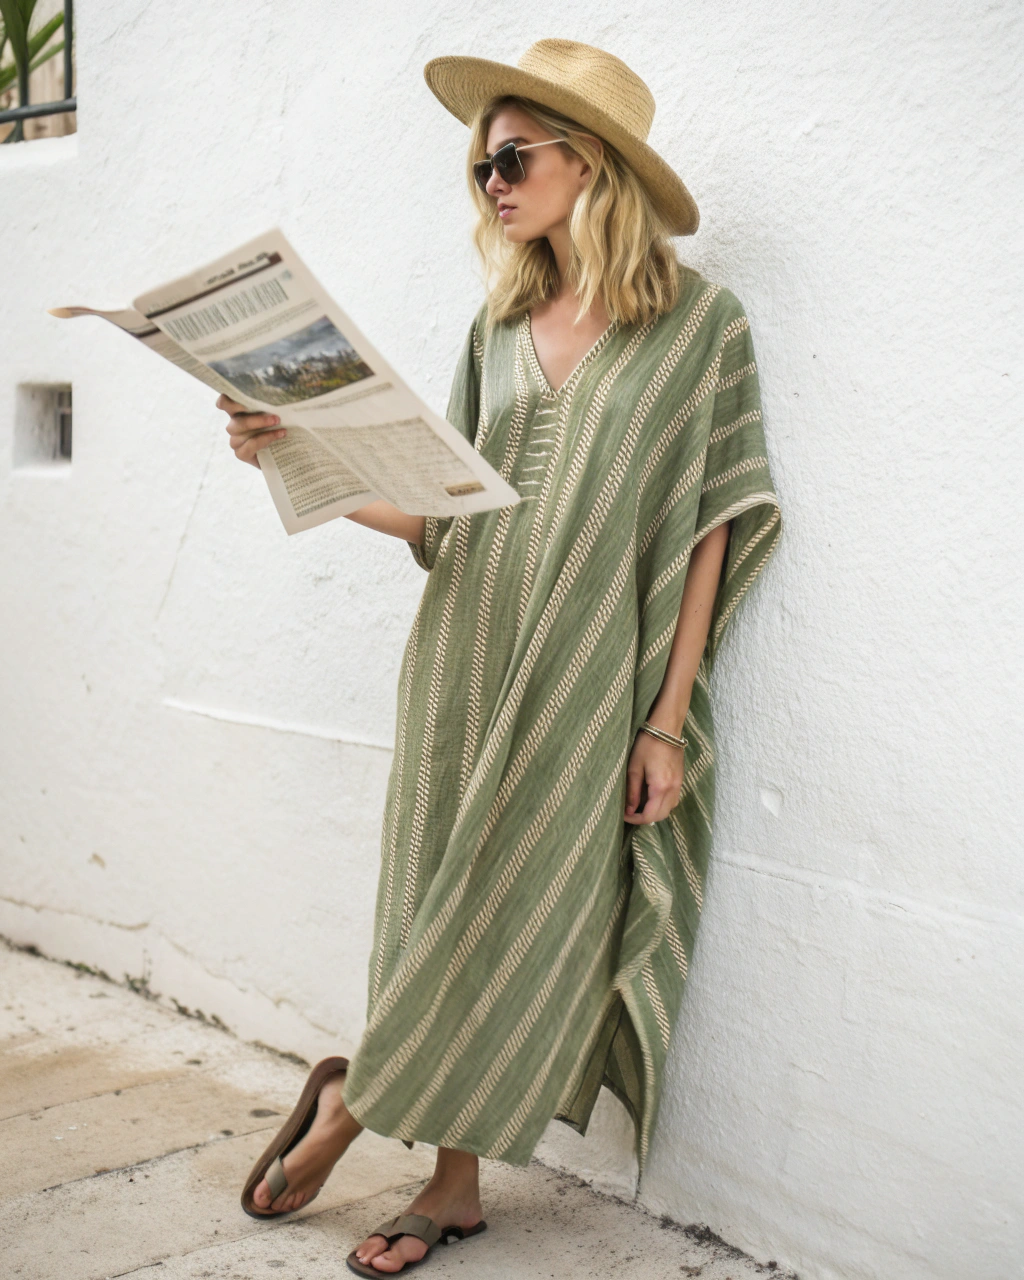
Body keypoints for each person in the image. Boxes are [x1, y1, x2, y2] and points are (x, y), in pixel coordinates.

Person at [221, 38, 783, 1277]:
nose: (491, 181)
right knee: (433, 898)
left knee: (520, 912)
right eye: (481, 164)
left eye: (513, 157)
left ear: (593, 163)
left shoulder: (702, 328)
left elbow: (712, 524)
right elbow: (446, 516)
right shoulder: (499, 322)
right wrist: (292, 452)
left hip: (589, 678)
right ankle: (453, 1184)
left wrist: (666, 719)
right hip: (464, 653)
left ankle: (352, 1099)